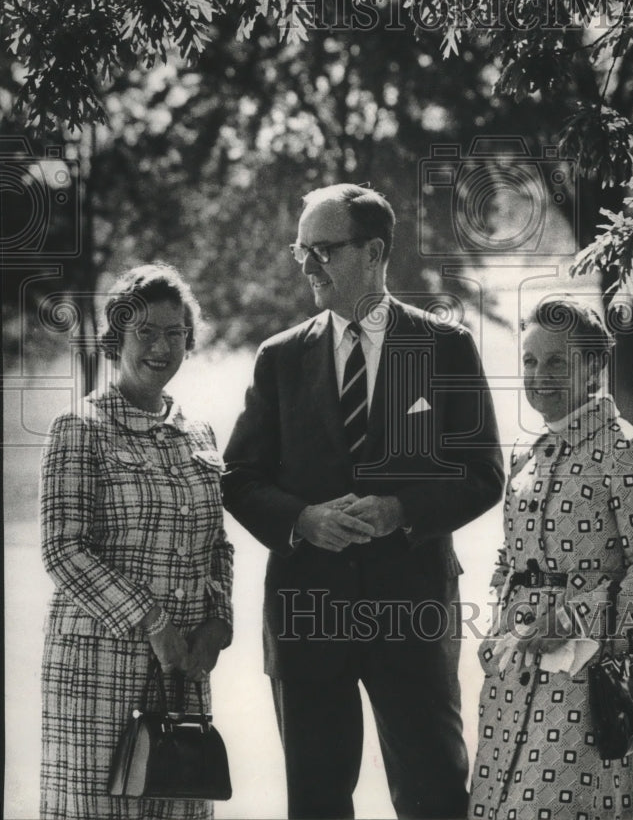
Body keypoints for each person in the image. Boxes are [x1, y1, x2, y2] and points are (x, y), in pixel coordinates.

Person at [222, 183, 504, 819]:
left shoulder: (445, 347)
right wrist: (302, 521)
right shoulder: (279, 359)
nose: (309, 265)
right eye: (302, 251)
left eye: (324, 249)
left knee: (434, 794)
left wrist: (402, 511)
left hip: (412, 610)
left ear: (375, 252)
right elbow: (239, 476)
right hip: (306, 614)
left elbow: (483, 472)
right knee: (317, 802)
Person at [468, 296, 633, 820]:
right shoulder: (527, 450)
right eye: (530, 360)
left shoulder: (628, 449)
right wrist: (498, 628)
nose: (539, 374)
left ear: (593, 369)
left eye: (556, 361)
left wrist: (569, 617)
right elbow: (511, 555)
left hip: (587, 680)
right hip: (513, 674)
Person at [39, 263, 234, 820]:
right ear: (116, 337)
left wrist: (218, 622)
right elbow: (62, 548)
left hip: (182, 675)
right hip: (99, 672)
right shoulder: (79, 427)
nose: (161, 347)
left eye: (175, 333)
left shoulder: (197, 434)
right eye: (145, 332)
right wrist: (152, 621)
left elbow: (216, 545)